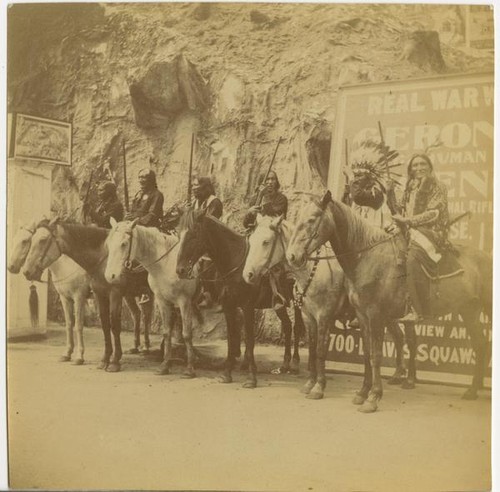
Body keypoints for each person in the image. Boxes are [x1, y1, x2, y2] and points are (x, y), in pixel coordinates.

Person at [387, 153, 450, 322]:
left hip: (432, 231)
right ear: (410, 169)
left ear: (429, 167)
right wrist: (390, 193)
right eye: (415, 165)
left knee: (412, 259)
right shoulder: (409, 187)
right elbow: (398, 211)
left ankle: (417, 309)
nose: (419, 168)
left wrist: (408, 221)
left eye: (423, 164)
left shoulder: (438, 186)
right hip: (409, 230)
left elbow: (433, 213)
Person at [125, 168, 164, 304]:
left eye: (145, 177)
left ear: (151, 179)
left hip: (149, 231)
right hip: (136, 228)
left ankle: (146, 290)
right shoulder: (138, 194)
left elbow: (152, 216)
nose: (141, 180)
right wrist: (129, 217)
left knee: (144, 259)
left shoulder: (157, 195)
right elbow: (133, 212)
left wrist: (136, 219)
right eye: (140, 177)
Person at [191, 176, 223, 308]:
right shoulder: (195, 202)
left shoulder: (214, 202)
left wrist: (192, 214)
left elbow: (207, 222)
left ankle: (208, 294)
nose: (194, 191)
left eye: (197, 188)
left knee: (206, 266)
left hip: (212, 240)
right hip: (197, 238)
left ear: (206, 189)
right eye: (193, 188)